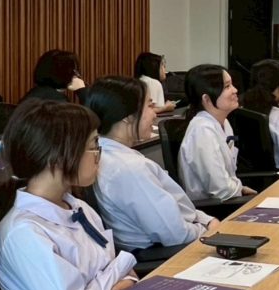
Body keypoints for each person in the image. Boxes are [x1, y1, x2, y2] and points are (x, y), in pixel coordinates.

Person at [0, 100, 138, 290]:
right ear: (59, 157)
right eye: (94, 146)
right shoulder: (24, 234)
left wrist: (113, 282)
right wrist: (118, 280)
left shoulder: (77, 207)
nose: (99, 156)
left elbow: (120, 272)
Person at [85, 77, 218, 250]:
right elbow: (175, 234)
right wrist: (208, 229)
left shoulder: (110, 154)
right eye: (149, 106)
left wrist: (206, 221)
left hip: (179, 236)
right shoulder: (129, 169)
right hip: (170, 252)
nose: (155, 113)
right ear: (128, 117)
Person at [179, 64, 256, 201]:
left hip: (228, 199)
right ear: (206, 99)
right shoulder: (202, 131)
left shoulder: (223, 122)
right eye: (227, 86)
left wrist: (240, 188)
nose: (235, 90)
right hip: (213, 207)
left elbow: (227, 177)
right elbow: (221, 190)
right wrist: (239, 189)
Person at [20, 49, 86, 104]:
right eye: (74, 70)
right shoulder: (57, 101)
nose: (77, 75)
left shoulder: (32, 94)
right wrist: (82, 91)